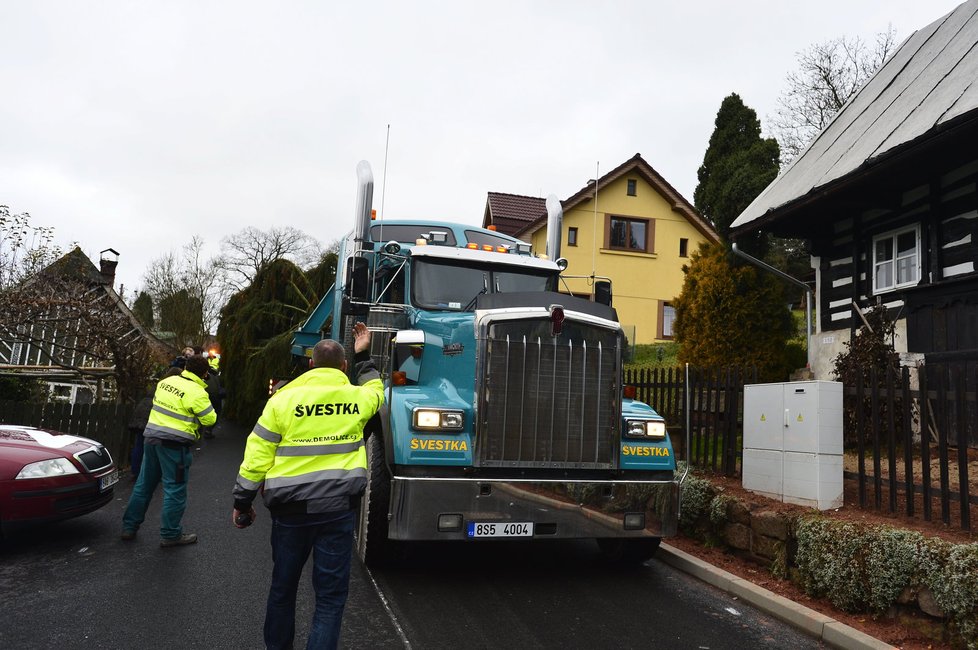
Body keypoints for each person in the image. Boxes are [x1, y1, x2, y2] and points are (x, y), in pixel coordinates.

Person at [232, 322, 383, 650]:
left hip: (290, 513)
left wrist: (243, 502)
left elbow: (257, 454)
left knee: (283, 591)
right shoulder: (356, 398)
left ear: (311, 364)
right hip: (337, 511)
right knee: (329, 601)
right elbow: (376, 390)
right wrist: (364, 354)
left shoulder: (282, 401)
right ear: (343, 367)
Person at [121, 355, 216, 547]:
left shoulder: (166, 382)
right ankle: (171, 534)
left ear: (187, 367)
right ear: (204, 373)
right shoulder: (197, 392)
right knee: (175, 490)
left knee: (144, 485)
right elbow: (210, 419)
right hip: (174, 446)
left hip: (151, 438)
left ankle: (129, 527)